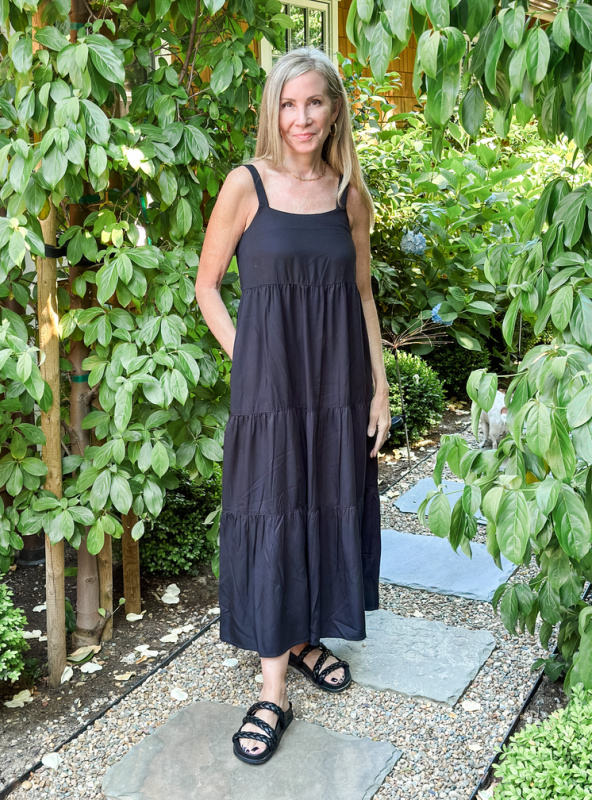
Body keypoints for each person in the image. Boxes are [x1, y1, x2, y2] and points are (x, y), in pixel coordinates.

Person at [195, 46, 391, 766]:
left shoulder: (349, 195)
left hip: (338, 389)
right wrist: (249, 358)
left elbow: (364, 296)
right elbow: (207, 285)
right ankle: (272, 688)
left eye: (314, 102)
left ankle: (309, 635)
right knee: (275, 509)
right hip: (272, 394)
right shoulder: (246, 185)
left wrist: (379, 388)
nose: (301, 117)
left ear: (335, 108)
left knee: (324, 503)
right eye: (288, 103)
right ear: (272, 111)